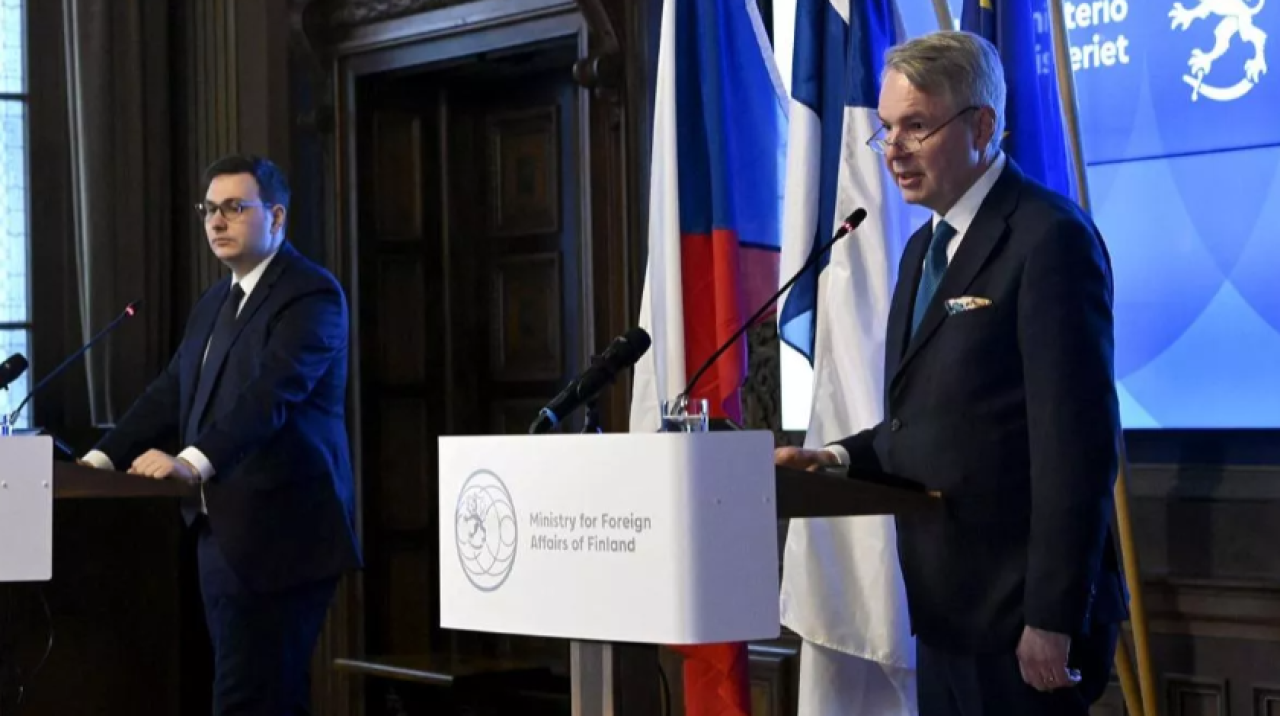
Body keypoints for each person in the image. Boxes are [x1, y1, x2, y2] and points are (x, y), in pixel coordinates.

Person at [776, 31, 1127, 716]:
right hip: (945, 612)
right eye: (886, 129)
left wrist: (1051, 617)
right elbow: (932, 420)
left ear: (982, 127)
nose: (893, 150)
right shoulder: (921, 250)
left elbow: (1077, 447)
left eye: (915, 126)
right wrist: (837, 458)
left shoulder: (1048, 238)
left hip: (1023, 620)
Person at [80, 154, 362, 714]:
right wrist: (98, 461)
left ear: (276, 217)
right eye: (209, 209)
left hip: (282, 537)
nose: (215, 221)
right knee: (256, 697)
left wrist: (191, 461)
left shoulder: (311, 295)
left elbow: (270, 394)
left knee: (250, 699)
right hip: (219, 533)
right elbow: (170, 392)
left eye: (234, 208)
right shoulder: (215, 301)